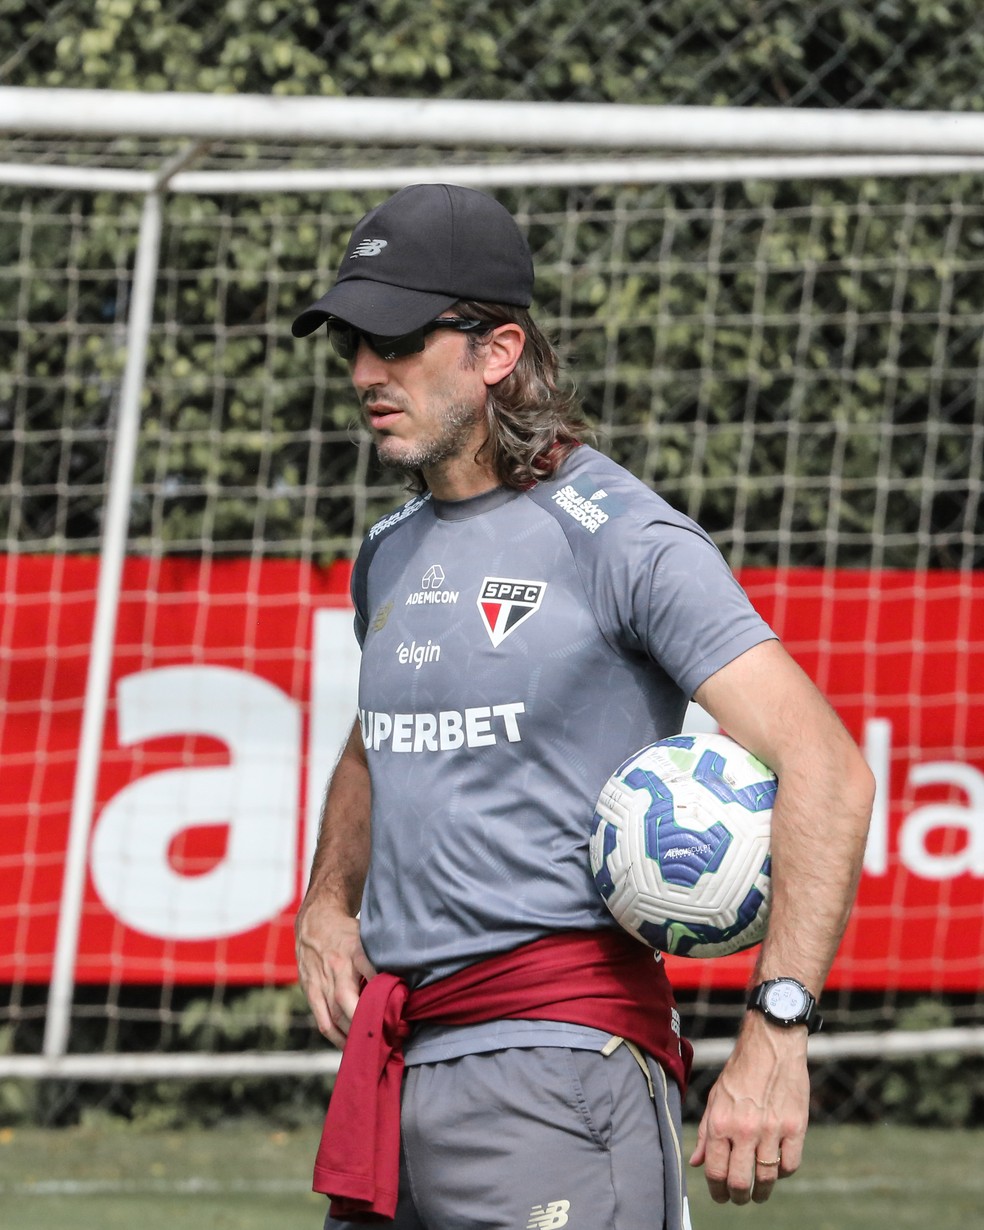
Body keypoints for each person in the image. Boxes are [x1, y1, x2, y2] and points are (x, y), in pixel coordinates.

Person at [292, 183, 874, 1229]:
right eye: (351, 341)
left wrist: (777, 1032)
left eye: (395, 339)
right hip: (401, 1072)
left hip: (562, 1074)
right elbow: (374, 739)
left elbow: (826, 765)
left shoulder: (621, 535)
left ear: (498, 349)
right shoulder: (387, 551)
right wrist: (329, 902)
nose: (364, 372)